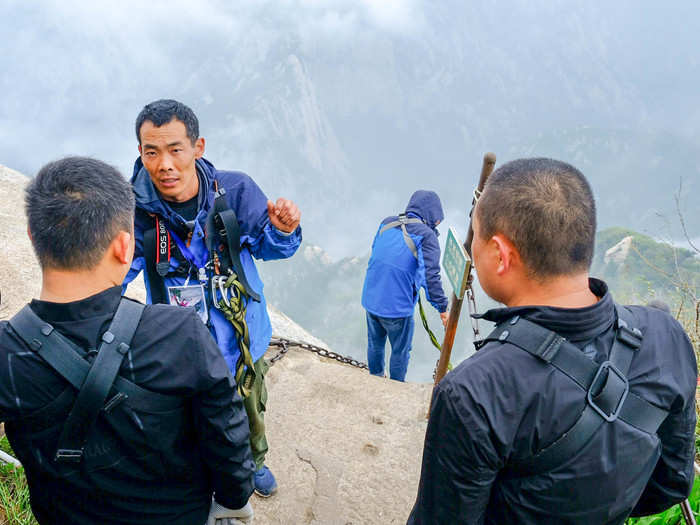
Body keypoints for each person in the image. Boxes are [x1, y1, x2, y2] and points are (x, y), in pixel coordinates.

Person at [407, 158, 697, 524]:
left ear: (500, 254)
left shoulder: (474, 392)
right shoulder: (666, 336)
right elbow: (672, 482)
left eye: (476, 234)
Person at [0, 157, 256, 525]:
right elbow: (227, 435)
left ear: (33, 236)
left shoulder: (7, 353)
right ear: (124, 247)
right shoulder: (179, 333)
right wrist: (233, 498)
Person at [123, 99, 301, 497]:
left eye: (175, 150)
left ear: (198, 147)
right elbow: (113, 271)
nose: (164, 164)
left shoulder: (234, 191)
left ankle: (253, 462)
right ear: (140, 153)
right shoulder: (132, 210)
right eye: (151, 152)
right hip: (180, 345)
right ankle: (199, 470)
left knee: (247, 407)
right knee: (186, 414)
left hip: (241, 337)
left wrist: (282, 230)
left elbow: (271, 248)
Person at [361, 190, 449, 381]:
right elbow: (430, 275)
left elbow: (377, 252)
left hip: (371, 297)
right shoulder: (426, 236)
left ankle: (375, 378)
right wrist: (442, 308)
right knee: (400, 351)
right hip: (397, 307)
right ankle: (395, 387)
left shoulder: (387, 222)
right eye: (437, 220)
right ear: (432, 215)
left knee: (375, 344)